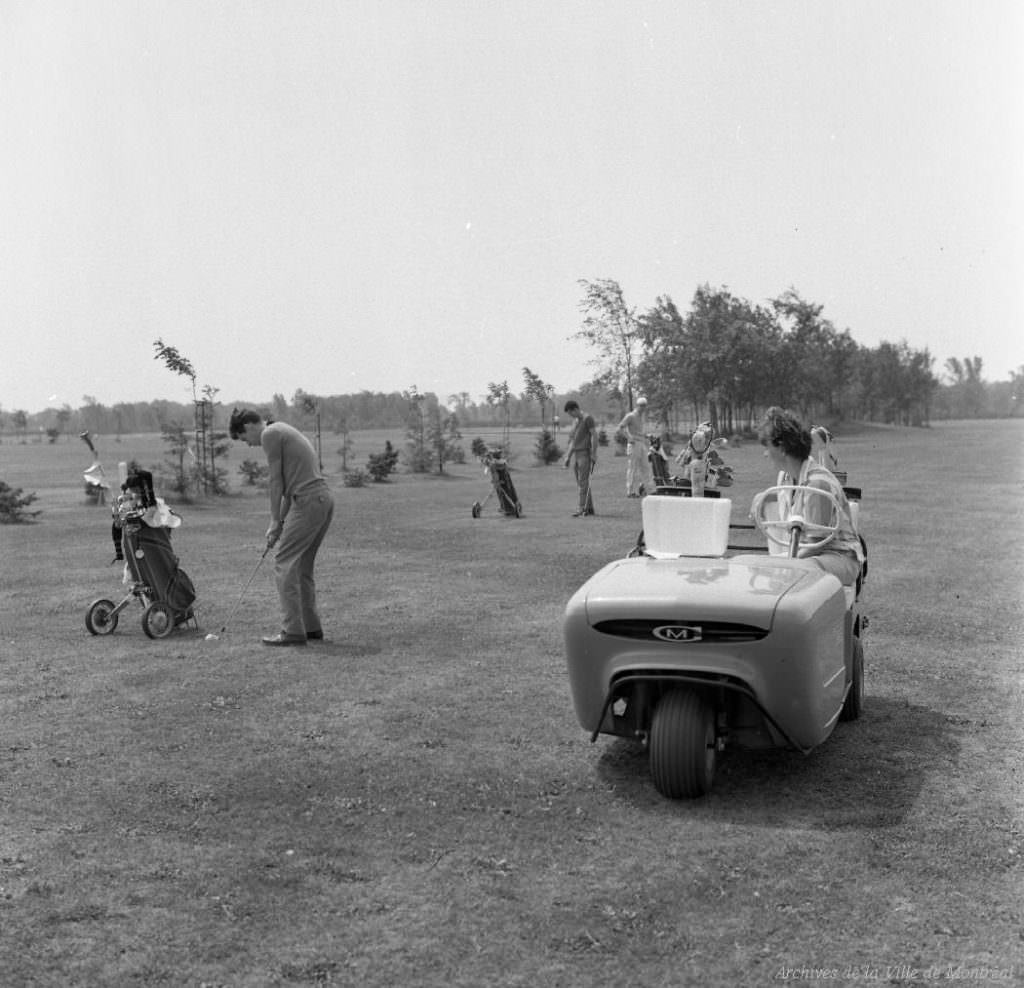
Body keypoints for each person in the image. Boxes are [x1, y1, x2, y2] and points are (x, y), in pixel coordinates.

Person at [229, 408, 335, 646]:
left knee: (284, 563)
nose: (249, 444)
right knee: (301, 566)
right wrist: (279, 524)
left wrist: (274, 521)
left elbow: (275, 481)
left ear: (247, 427)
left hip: (309, 500)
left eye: (244, 439)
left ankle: (293, 632)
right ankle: (310, 628)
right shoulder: (282, 430)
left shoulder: (269, 434)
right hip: (321, 499)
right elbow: (288, 491)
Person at [756, 407, 863, 586]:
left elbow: (817, 544)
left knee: (796, 572)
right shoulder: (786, 478)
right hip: (811, 556)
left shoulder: (818, 484)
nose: (765, 453)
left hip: (838, 558)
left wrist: (781, 564)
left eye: (767, 447)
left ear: (782, 448)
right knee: (759, 566)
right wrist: (761, 498)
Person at [562, 399, 597, 516]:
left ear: (576, 409)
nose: (571, 416)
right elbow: (573, 440)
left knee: (583, 482)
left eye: (571, 413)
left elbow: (594, 436)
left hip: (584, 454)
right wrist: (568, 457)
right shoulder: (576, 421)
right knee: (583, 483)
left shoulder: (588, 418)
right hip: (576, 455)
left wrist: (593, 453)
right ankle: (589, 508)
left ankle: (582, 508)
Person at [617, 397, 651, 497]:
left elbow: (639, 431)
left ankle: (647, 489)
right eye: (641, 406)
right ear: (637, 405)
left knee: (645, 467)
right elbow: (620, 428)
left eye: (644, 406)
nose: (643, 408)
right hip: (634, 444)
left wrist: (646, 436)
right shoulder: (631, 416)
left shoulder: (642, 417)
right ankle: (630, 491)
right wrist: (628, 437)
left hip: (641, 443)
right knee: (632, 468)